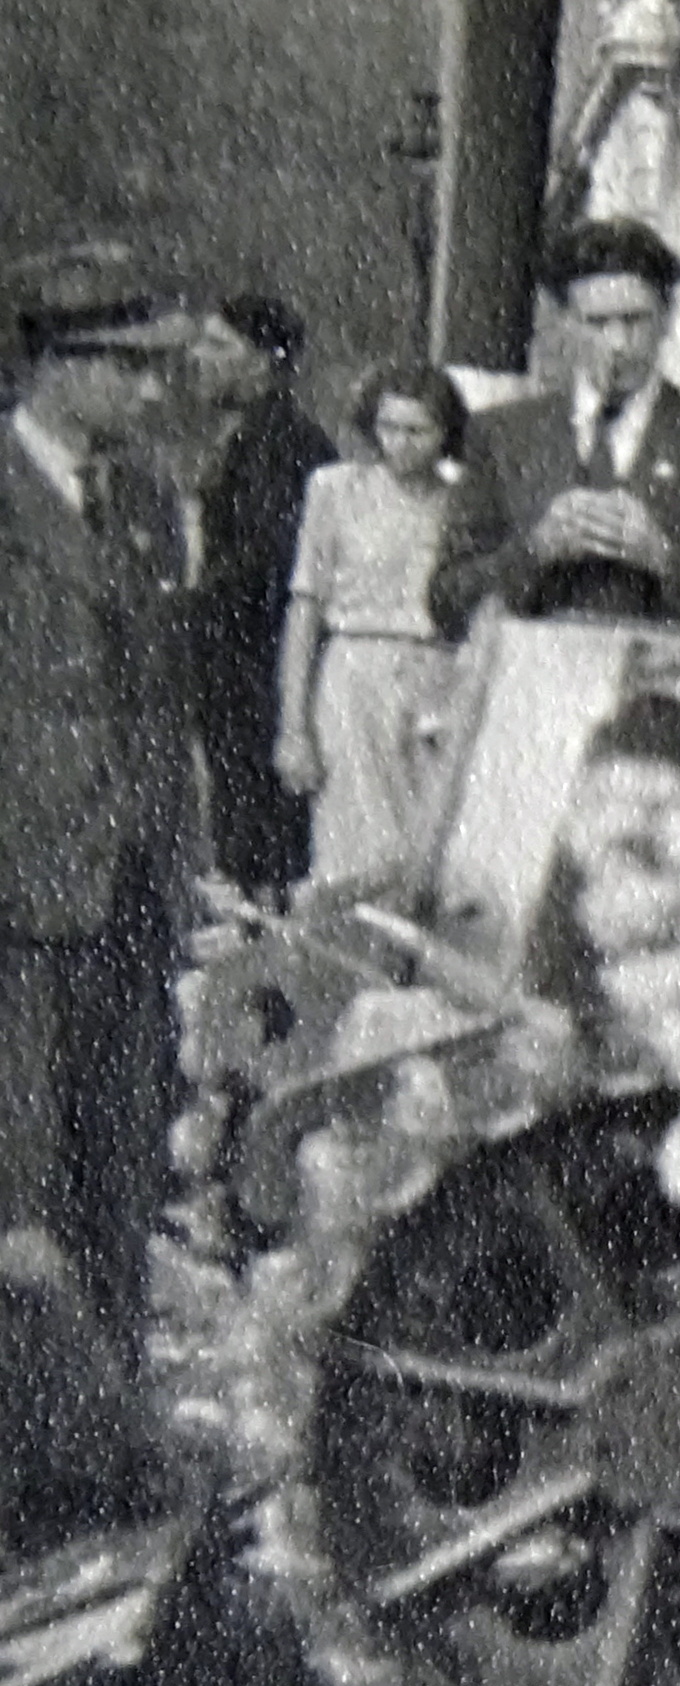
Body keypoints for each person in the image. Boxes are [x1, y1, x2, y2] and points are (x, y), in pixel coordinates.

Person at [0, 243, 201, 1357]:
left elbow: (163, 697)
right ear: (60, 364)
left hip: (131, 881)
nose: (151, 389)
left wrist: (182, 855)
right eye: (130, 365)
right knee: (20, 1180)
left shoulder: (144, 498)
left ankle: (113, 1413)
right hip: (22, 886)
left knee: (122, 1166)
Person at [429, 217, 680, 635]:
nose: (619, 344)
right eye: (597, 323)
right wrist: (535, 549)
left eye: (635, 320)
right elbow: (446, 603)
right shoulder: (501, 436)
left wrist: (666, 561)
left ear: (668, 318)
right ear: (565, 323)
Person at [277, 362, 466, 888]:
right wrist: (294, 728)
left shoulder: (460, 501)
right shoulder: (336, 490)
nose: (398, 443)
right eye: (388, 427)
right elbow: (304, 609)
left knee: (429, 850)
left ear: (444, 432)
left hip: (435, 680)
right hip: (354, 680)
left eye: (416, 430)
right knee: (352, 856)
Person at [184, 293, 334, 897]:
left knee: (263, 849)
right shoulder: (248, 436)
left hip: (264, 677)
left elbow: (267, 563)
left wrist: (183, 608)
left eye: (218, 345)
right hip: (238, 674)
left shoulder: (283, 443)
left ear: (265, 361)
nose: (197, 356)